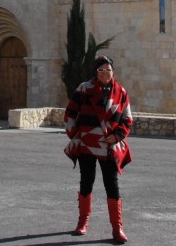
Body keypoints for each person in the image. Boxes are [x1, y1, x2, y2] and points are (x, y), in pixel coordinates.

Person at [63, 55, 132, 244]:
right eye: (101, 70)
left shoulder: (120, 92)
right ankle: (82, 222)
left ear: (113, 71)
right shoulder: (84, 89)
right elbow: (70, 112)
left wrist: (117, 136)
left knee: (112, 185)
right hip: (87, 144)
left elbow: (127, 120)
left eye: (108, 69)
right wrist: (76, 134)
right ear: (95, 72)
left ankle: (117, 228)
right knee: (86, 181)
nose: (104, 73)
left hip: (109, 146)